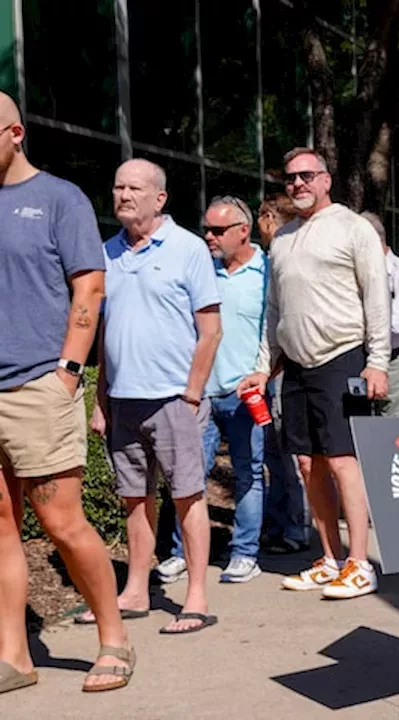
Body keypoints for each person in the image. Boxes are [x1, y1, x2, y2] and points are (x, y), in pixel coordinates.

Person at [0, 95, 135, 692]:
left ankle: (115, 638)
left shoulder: (58, 199)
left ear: (15, 133)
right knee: (2, 529)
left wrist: (68, 371)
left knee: (61, 522)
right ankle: (15, 656)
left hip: (37, 383)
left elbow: (90, 287)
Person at [239, 147, 390, 600]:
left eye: (307, 176)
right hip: (298, 365)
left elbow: (376, 297)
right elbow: (274, 311)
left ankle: (361, 564)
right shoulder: (282, 238)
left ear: (326, 180)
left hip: (343, 356)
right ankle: (330, 557)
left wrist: (377, 361)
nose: (298, 184)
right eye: (291, 179)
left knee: (343, 461)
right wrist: (264, 366)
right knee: (307, 463)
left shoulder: (352, 227)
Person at [91, 158, 222, 635]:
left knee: (187, 496)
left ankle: (197, 597)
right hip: (124, 399)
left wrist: (190, 395)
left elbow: (210, 331)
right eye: (118, 186)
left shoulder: (188, 249)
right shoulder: (107, 253)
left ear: (159, 198)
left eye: (134, 188)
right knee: (134, 498)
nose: (123, 195)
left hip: (173, 399)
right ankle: (136, 591)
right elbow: (107, 335)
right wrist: (100, 400)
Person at [161, 196, 268, 586]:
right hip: (200, 393)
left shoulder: (267, 272)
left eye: (218, 230)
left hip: (245, 394)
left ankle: (244, 553)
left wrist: (263, 372)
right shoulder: (200, 270)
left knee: (248, 473)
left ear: (244, 231)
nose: (209, 236)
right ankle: (182, 553)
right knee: (189, 476)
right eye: (206, 228)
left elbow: (272, 328)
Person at [256, 195, 308, 556]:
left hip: (279, 369)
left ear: (269, 217)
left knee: (288, 456)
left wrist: (269, 368)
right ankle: (279, 525)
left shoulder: (280, 258)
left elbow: (276, 320)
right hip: (269, 368)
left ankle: (296, 528)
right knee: (275, 456)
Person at [360, 211, 399, 417]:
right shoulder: (355, 271)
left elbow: (398, 324)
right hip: (360, 355)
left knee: (394, 426)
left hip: (395, 359)